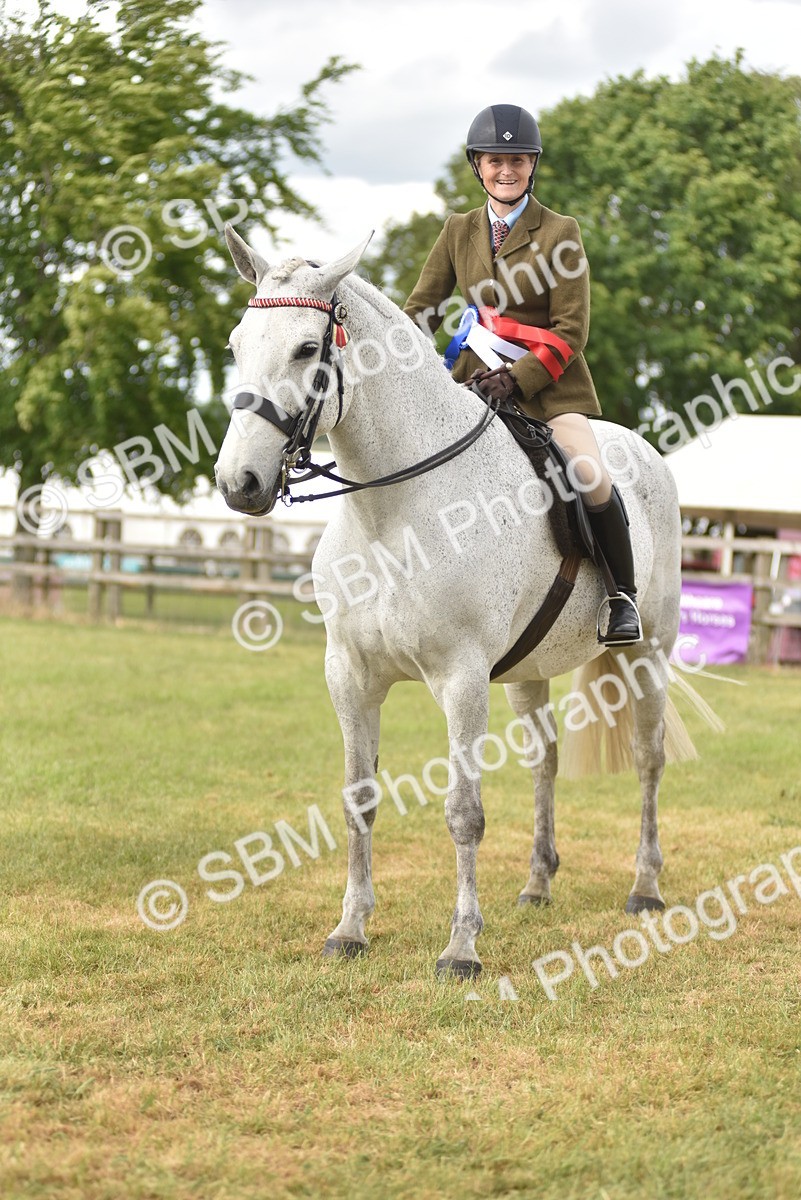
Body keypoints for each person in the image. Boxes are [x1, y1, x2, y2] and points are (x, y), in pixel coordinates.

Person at [403, 103, 641, 645]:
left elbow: (571, 329)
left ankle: (620, 597)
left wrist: (517, 378)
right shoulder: (457, 230)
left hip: (548, 390)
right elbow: (420, 311)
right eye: (495, 160)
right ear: (478, 166)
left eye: (517, 160)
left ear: (532, 165)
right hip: (470, 384)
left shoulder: (560, 232)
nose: (505, 170)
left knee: (589, 473)